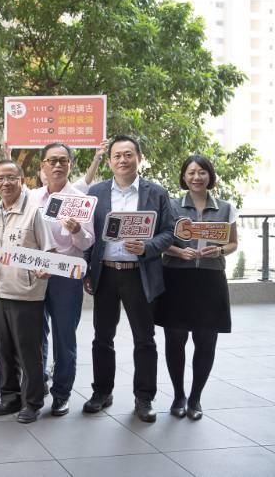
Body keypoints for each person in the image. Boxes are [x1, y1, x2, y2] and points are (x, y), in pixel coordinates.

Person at [82, 135, 175, 423]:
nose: (123, 160)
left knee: (144, 339)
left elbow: (169, 232)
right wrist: (87, 268)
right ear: (109, 161)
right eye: (117, 155)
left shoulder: (156, 193)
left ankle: (144, 398)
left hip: (140, 274)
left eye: (128, 154)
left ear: (139, 158)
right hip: (106, 272)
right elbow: (87, 236)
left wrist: (147, 247)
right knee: (102, 338)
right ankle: (102, 392)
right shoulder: (95, 192)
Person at [155, 155, 237, 420]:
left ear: (210, 176)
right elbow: (159, 241)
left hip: (210, 280)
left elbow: (234, 243)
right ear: (184, 176)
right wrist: (179, 252)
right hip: (177, 279)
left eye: (202, 172)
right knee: (175, 339)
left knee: (206, 341)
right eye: (191, 172)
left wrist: (220, 249)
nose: (196, 177)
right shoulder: (171, 206)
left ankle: (195, 398)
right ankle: (178, 395)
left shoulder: (225, 207)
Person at [31, 143, 96, 417]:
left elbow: (88, 241)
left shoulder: (80, 198)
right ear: (42, 166)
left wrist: (78, 230)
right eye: (51, 160)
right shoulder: (32, 196)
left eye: (63, 160)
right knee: (35, 334)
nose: (57, 165)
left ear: (70, 164)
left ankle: (62, 393)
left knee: (64, 335)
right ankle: (39, 383)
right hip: (35, 272)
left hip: (66, 275)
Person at [0, 159, 53, 423]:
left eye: (10, 178)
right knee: (4, 349)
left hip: (26, 292)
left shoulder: (35, 211)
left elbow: (49, 250)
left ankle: (33, 401)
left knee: (28, 351)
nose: (5, 183)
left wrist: (44, 268)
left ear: (22, 180)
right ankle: (10, 397)